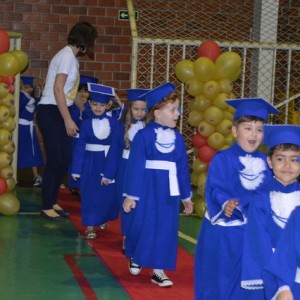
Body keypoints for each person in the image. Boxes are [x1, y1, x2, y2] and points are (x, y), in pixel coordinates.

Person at [194, 98, 279, 300]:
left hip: (253, 233)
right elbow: (216, 187)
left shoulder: (266, 163)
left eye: (259, 130)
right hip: (226, 232)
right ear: (234, 131)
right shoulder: (223, 159)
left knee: (251, 279)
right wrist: (227, 202)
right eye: (248, 128)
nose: (254, 134)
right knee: (223, 278)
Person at [122, 82, 193, 287]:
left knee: (166, 228)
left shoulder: (178, 139)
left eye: (177, 109)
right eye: (172, 110)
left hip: (168, 192)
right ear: (157, 112)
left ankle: (158, 270)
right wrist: (131, 195)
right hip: (147, 189)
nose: (177, 114)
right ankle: (136, 254)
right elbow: (135, 166)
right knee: (142, 224)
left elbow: (181, 168)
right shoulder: (143, 136)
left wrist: (186, 197)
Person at [36, 21, 97, 222]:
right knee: (56, 158)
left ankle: (52, 200)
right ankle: (46, 205)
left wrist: (85, 110)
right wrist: (68, 119)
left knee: (63, 158)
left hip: (61, 109)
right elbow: (57, 89)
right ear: (85, 40)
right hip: (51, 111)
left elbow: (71, 94)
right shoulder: (66, 57)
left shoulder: (72, 59)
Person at [241, 125, 300, 299]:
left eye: (295, 159)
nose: (288, 165)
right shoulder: (260, 198)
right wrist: (280, 285)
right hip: (269, 272)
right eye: (280, 159)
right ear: (269, 162)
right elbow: (259, 242)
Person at [71, 83, 119, 239]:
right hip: (90, 163)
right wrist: (76, 169)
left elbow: (116, 147)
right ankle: (90, 225)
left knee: (106, 193)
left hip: (107, 161)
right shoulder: (84, 124)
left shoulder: (114, 123)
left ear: (108, 105)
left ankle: (103, 217)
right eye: (95, 104)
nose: (98, 108)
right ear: (90, 104)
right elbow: (80, 147)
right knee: (89, 194)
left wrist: (113, 168)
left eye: (102, 105)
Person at [103, 88, 149, 251]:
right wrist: (108, 174)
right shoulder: (122, 127)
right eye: (136, 109)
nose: (140, 112)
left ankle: (137, 236)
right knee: (126, 203)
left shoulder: (147, 127)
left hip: (143, 170)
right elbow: (114, 151)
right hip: (125, 168)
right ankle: (125, 237)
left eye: (143, 109)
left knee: (140, 203)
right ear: (129, 108)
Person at [68, 74, 98, 197]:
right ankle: (73, 185)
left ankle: (84, 184)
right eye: (80, 91)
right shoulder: (72, 107)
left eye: (86, 91)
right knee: (74, 161)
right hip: (75, 139)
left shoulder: (92, 108)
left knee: (87, 162)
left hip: (88, 140)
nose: (83, 94)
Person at [17, 76, 44, 187]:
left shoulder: (31, 99)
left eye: (31, 87)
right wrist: (22, 92)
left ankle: (36, 175)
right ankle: (14, 176)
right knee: (18, 151)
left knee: (33, 151)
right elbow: (20, 105)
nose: (30, 89)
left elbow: (40, 102)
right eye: (27, 87)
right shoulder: (20, 98)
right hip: (20, 129)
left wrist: (42, 90)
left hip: (29, 129)